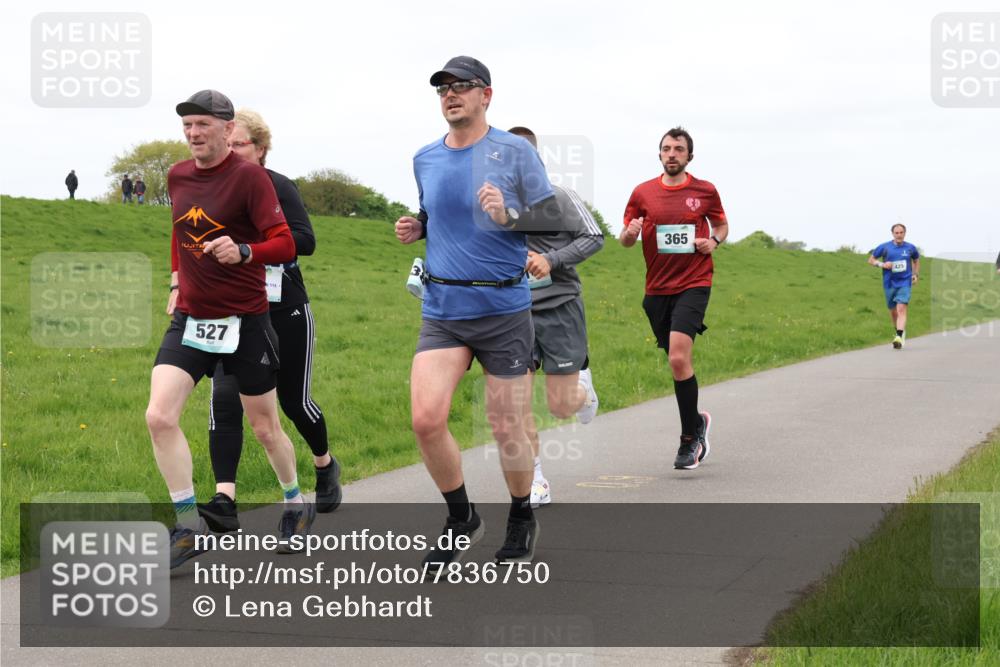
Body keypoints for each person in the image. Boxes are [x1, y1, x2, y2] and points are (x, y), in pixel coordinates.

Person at [394, 56, 564, 569]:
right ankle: (461, 515)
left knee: (507, 424)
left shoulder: (513, 152)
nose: (451, 95)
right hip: (444, 307)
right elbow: (435, 212)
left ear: (485, 95)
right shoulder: (425, 156)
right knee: (426, 420)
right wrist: (417, 227)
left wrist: (507, 215)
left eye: (461, 87)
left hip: (503, 307)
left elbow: (551, 217)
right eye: (443, 88)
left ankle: (519, 515)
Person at [148, 89, 314, 568]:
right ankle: (186, 525)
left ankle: (295, 501)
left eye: (202, 125)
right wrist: (178, 281)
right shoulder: (178, 175)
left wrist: (244, 251)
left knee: (264, 427)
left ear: (226, 128)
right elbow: (180, 231)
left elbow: (285, 243)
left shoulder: (250, 179)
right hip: (192, 319)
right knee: (159, 416)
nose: (194, 134)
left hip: (245, 320)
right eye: (187, 126)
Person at [196, 108, 342, 534]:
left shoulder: (279, 186)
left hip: (284, 309)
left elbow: (305, 241)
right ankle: (225, 499)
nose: (232, 151)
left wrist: (249, 248)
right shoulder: (215, 189)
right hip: (233, 308)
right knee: (224, 401)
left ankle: (324, 464)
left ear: (260, 149)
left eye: (239, 143)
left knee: (294, 403)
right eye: (229, 143)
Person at [506, 126, 603, 509]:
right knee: (516, 402)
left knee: (561, 406)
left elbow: (594, 236)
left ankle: (584, 388)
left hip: (559, 306)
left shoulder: (560, 197)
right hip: (514, 313)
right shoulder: (494, 206)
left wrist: (551, 259)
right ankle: (537, 479)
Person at [621, 127, 729, 470]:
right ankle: (698, 422)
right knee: (677, 362)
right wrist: (629, 233)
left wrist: (713, 241)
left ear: (689, 156)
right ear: (659, 154)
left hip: (695, 282)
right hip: (656, 290)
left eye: (678, 149)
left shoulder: (705, 191)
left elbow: (722, 226)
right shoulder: (643, 193)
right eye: (666, 148)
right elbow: (625, 239)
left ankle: (689, 442)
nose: (672, 154)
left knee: (679, 359)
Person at [867, 224, 920, 349]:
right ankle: (899, 332)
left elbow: (916, 260)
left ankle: (898, 336)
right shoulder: (884, 247)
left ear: (905, 233)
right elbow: (871, 260)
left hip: (905, 282)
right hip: (889, 283)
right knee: (893, 312)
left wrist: (915, 275)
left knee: (901, 308)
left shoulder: (911, 248)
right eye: (896, 233)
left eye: (901, 232)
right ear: (892, 234)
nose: (899, 235)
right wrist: (882, 264)